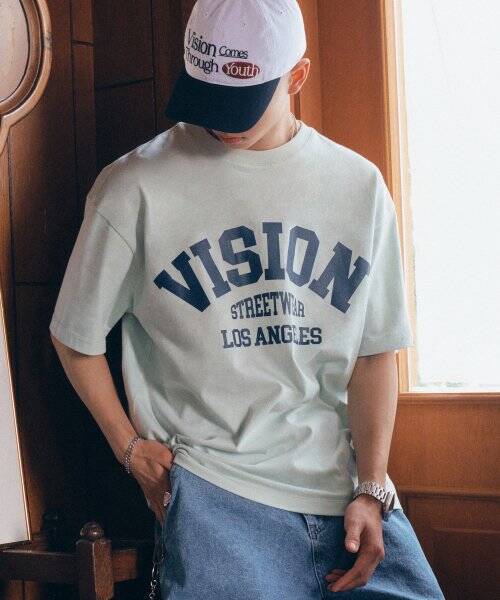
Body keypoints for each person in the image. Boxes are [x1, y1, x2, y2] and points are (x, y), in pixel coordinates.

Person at [49, 1, 445, 598]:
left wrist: (371, 485)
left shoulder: (359, 187)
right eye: (206, 95)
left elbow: (374, 352)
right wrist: (129, 450)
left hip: (345, 493)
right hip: (216, 492)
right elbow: (74, 336)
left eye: (242, 100)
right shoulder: (134, 188)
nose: (221, 122)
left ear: (297, 76)